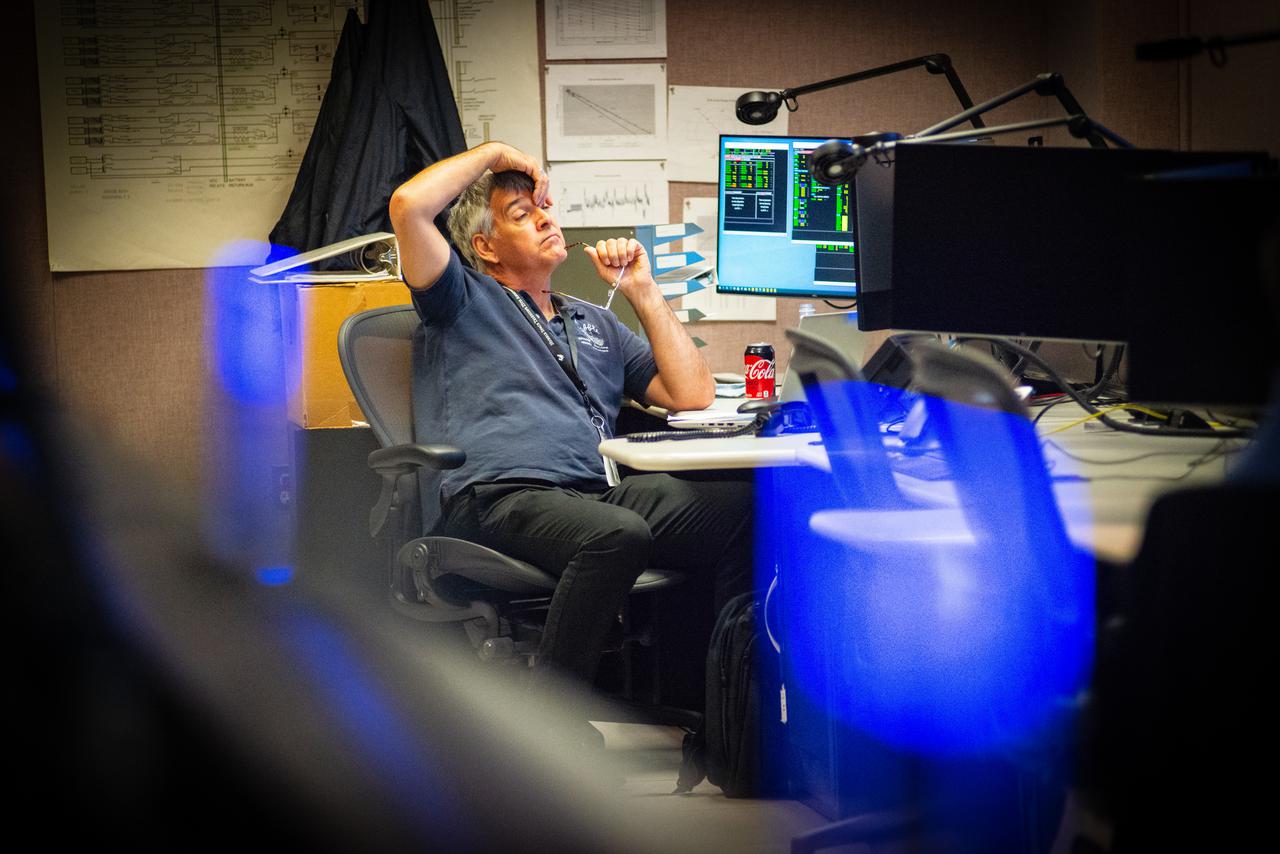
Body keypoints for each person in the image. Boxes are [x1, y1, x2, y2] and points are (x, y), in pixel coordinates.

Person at [389, 141, 752, 694]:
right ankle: (552, 728)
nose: (544, 218)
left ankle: (722, 713)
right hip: (495, 497)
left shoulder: (594, 322)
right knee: (616, 534)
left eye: (546, 208)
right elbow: (409, 206)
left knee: (750, 512)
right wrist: (491, 156)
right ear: (485, 246)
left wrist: (642, 290)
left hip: (590, 496)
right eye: (522, 213)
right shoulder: (461, 300)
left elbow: (692, 394)